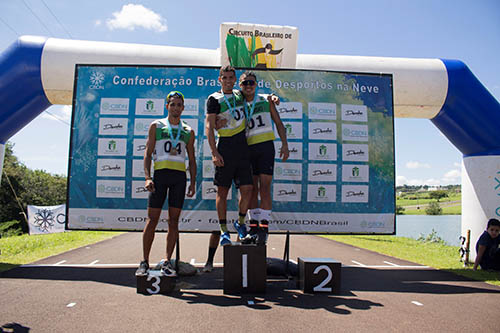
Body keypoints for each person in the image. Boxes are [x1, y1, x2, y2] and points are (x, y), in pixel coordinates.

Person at [135, 91, 197, 277]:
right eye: (173, 104)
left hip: (179, 178)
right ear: (167, 106)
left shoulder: (188, 131)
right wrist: (147, 177)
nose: (176, 108)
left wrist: (193, 182)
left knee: (173, 221)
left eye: (179, 105)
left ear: (183, 108)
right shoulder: (156, 125)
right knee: (152, 220)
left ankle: (167, 262)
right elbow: (147, 154)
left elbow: (192, 160)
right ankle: (144, 262)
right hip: (160, 177)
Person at [205, 66, 253, 249]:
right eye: (224, 77)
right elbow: (209, 126)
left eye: (230, 77)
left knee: (247, 189)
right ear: (220, 79)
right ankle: (224, 229)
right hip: (224, 146)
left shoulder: (240, 95)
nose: (227, 80)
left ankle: (240, 223)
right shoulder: (214, 99)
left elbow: (256, 96)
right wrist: (214, 152)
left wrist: (273, 98)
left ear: (235, 80)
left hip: (242, 146)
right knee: (222, 191)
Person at [238, 71, 289, 245]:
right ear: (240, 85)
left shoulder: (266, 100)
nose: (249, 86)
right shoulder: (237, 102)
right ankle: (253, 225)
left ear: (256, 84)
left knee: (265, 187)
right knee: (251, 188)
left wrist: (285, 144)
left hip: (266, 146)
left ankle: (264, 225)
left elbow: (279, 123)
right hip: (247, 148)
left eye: (251, 82)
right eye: (245, 83)